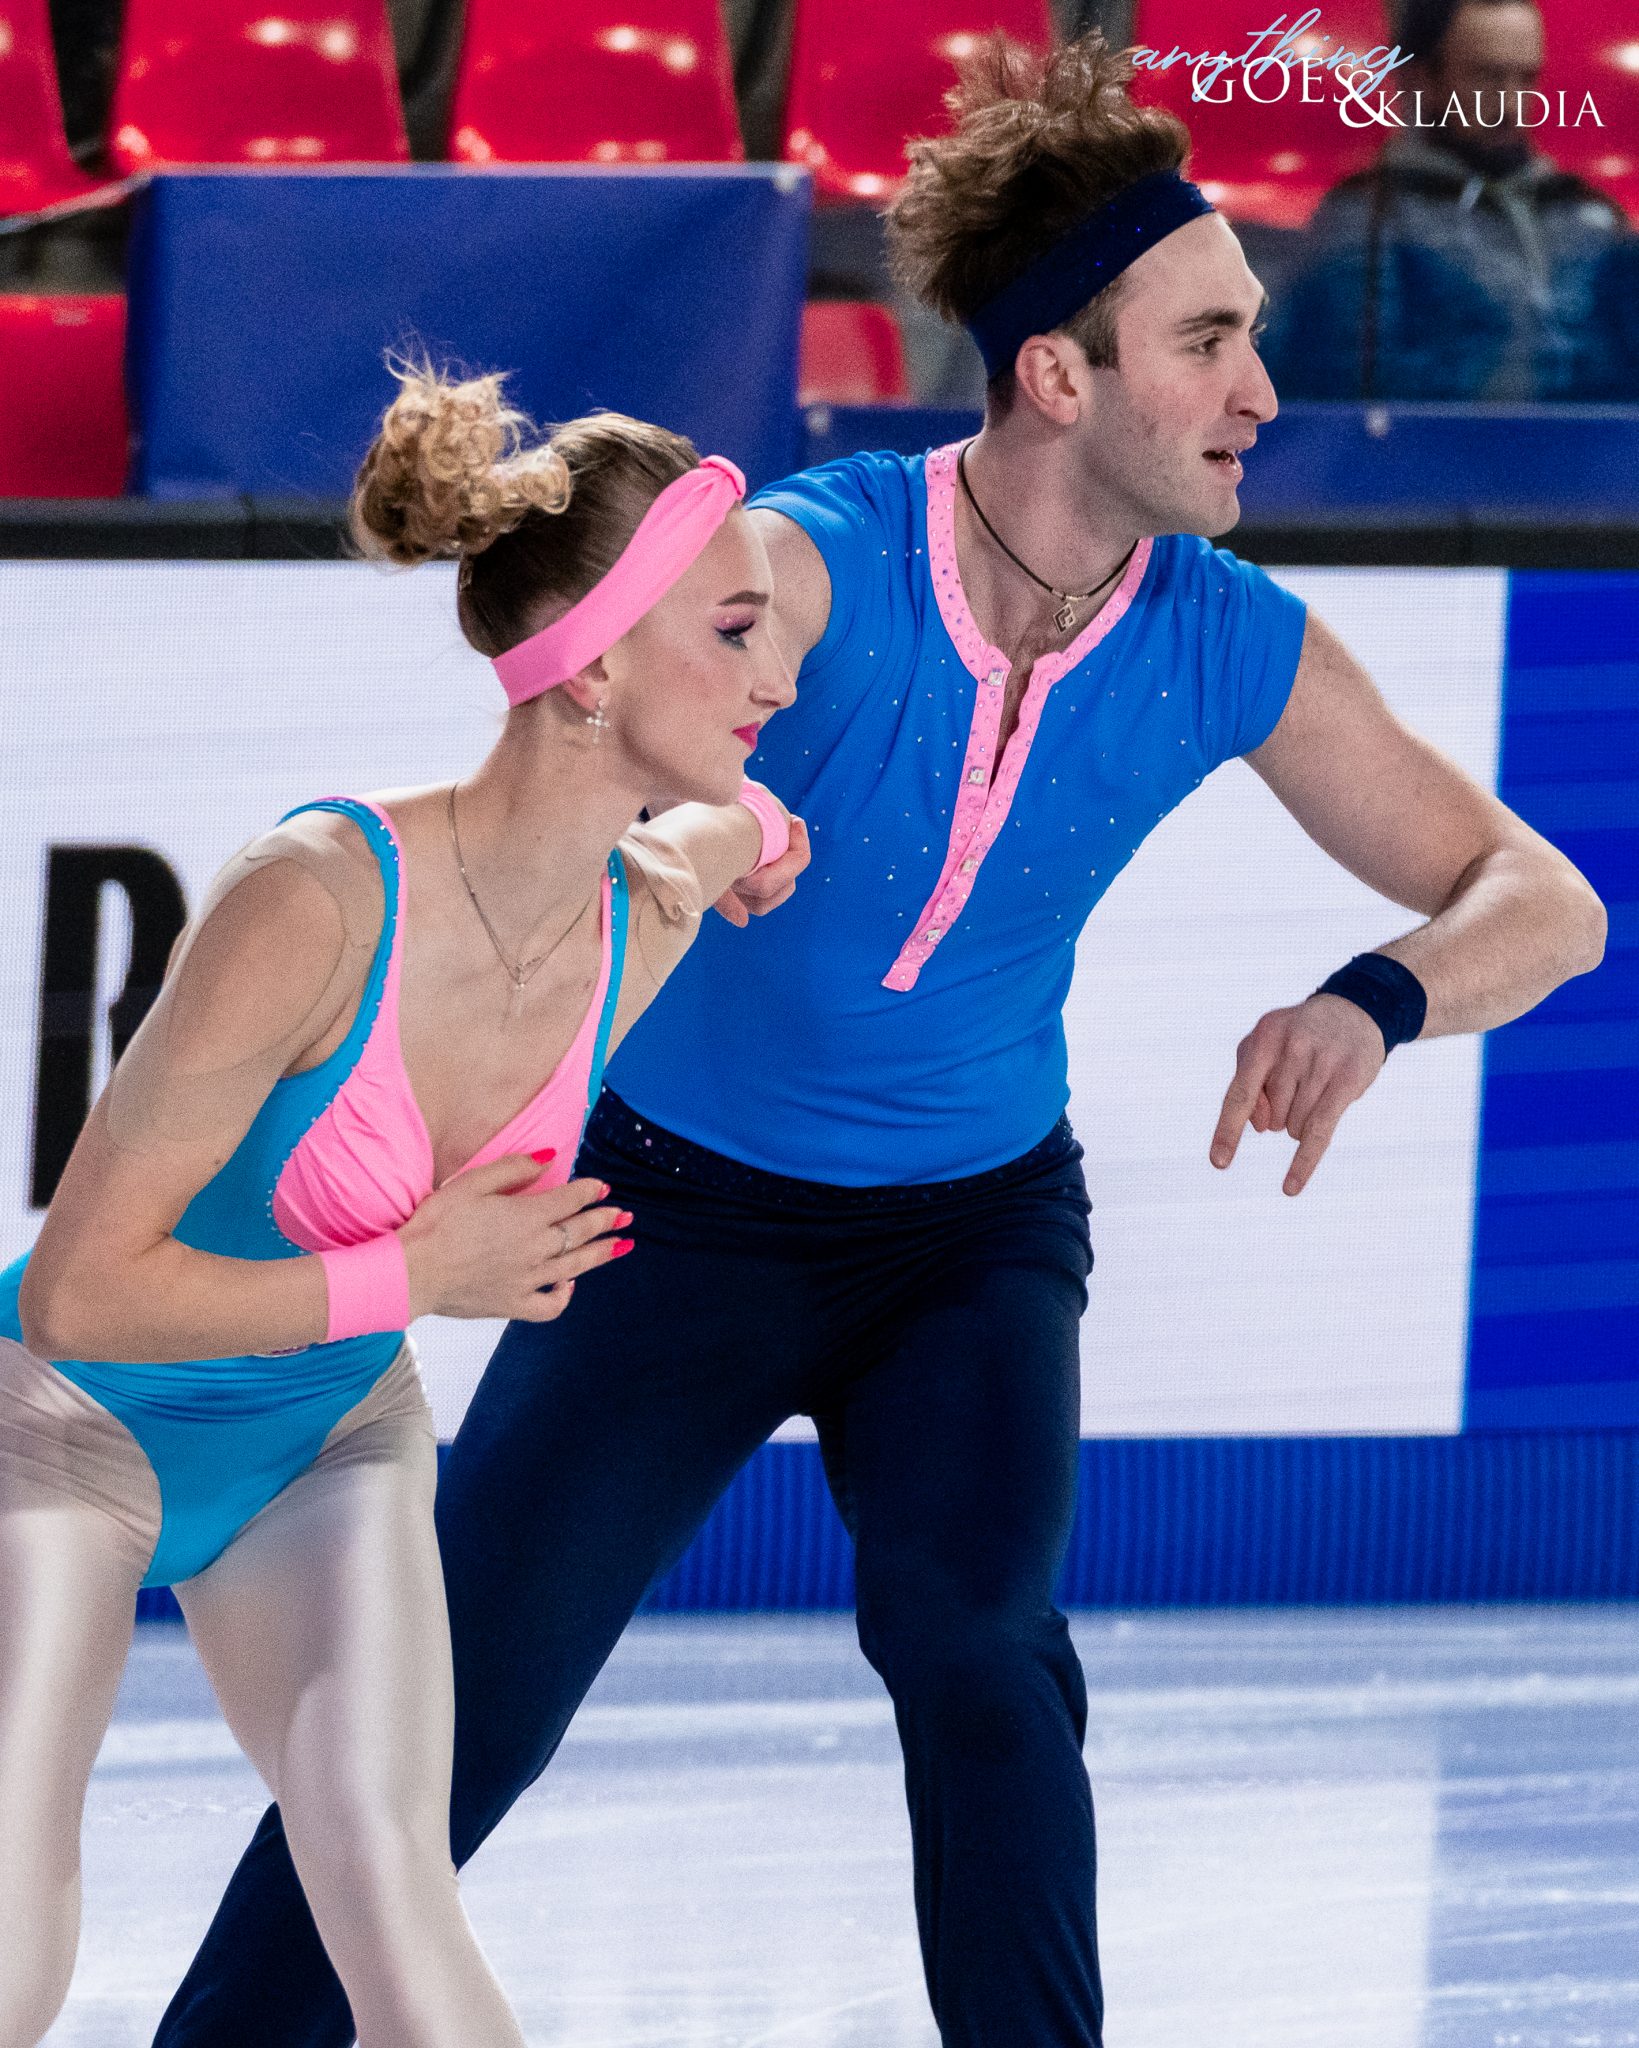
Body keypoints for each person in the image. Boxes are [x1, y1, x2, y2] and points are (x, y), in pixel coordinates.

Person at [153, 32, 1606, 2048]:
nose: (1261, 391)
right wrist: (680, 834)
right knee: (455, 1707)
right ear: (1058, 375)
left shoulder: (1223, 636)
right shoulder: (820, 558)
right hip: (665, 1219)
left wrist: (1375, 998)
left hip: (968, 1238)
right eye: (1207, 340)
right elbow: (627, 662)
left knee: (982, 1645)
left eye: (1253, 338)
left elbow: (1542, 898)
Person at [0, 364, 799, 2048]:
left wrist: (762, 825)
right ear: (590, 665)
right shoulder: (311, 896)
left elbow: (719, 841)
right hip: (63, 1425)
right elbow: (76, 1295)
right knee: (10, 1936)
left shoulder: (644, 913)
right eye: (734, 632)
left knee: (390, 1884)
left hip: (323, 1443)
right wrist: (415, 1270)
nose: (777, 675)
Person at [1263, 0, 1629, 400]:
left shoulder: (1585, 212)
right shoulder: (1369, 216)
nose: (1511, 103)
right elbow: (1350, 388)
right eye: (1487, 77)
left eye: (1526, 78)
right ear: (1425, 78)